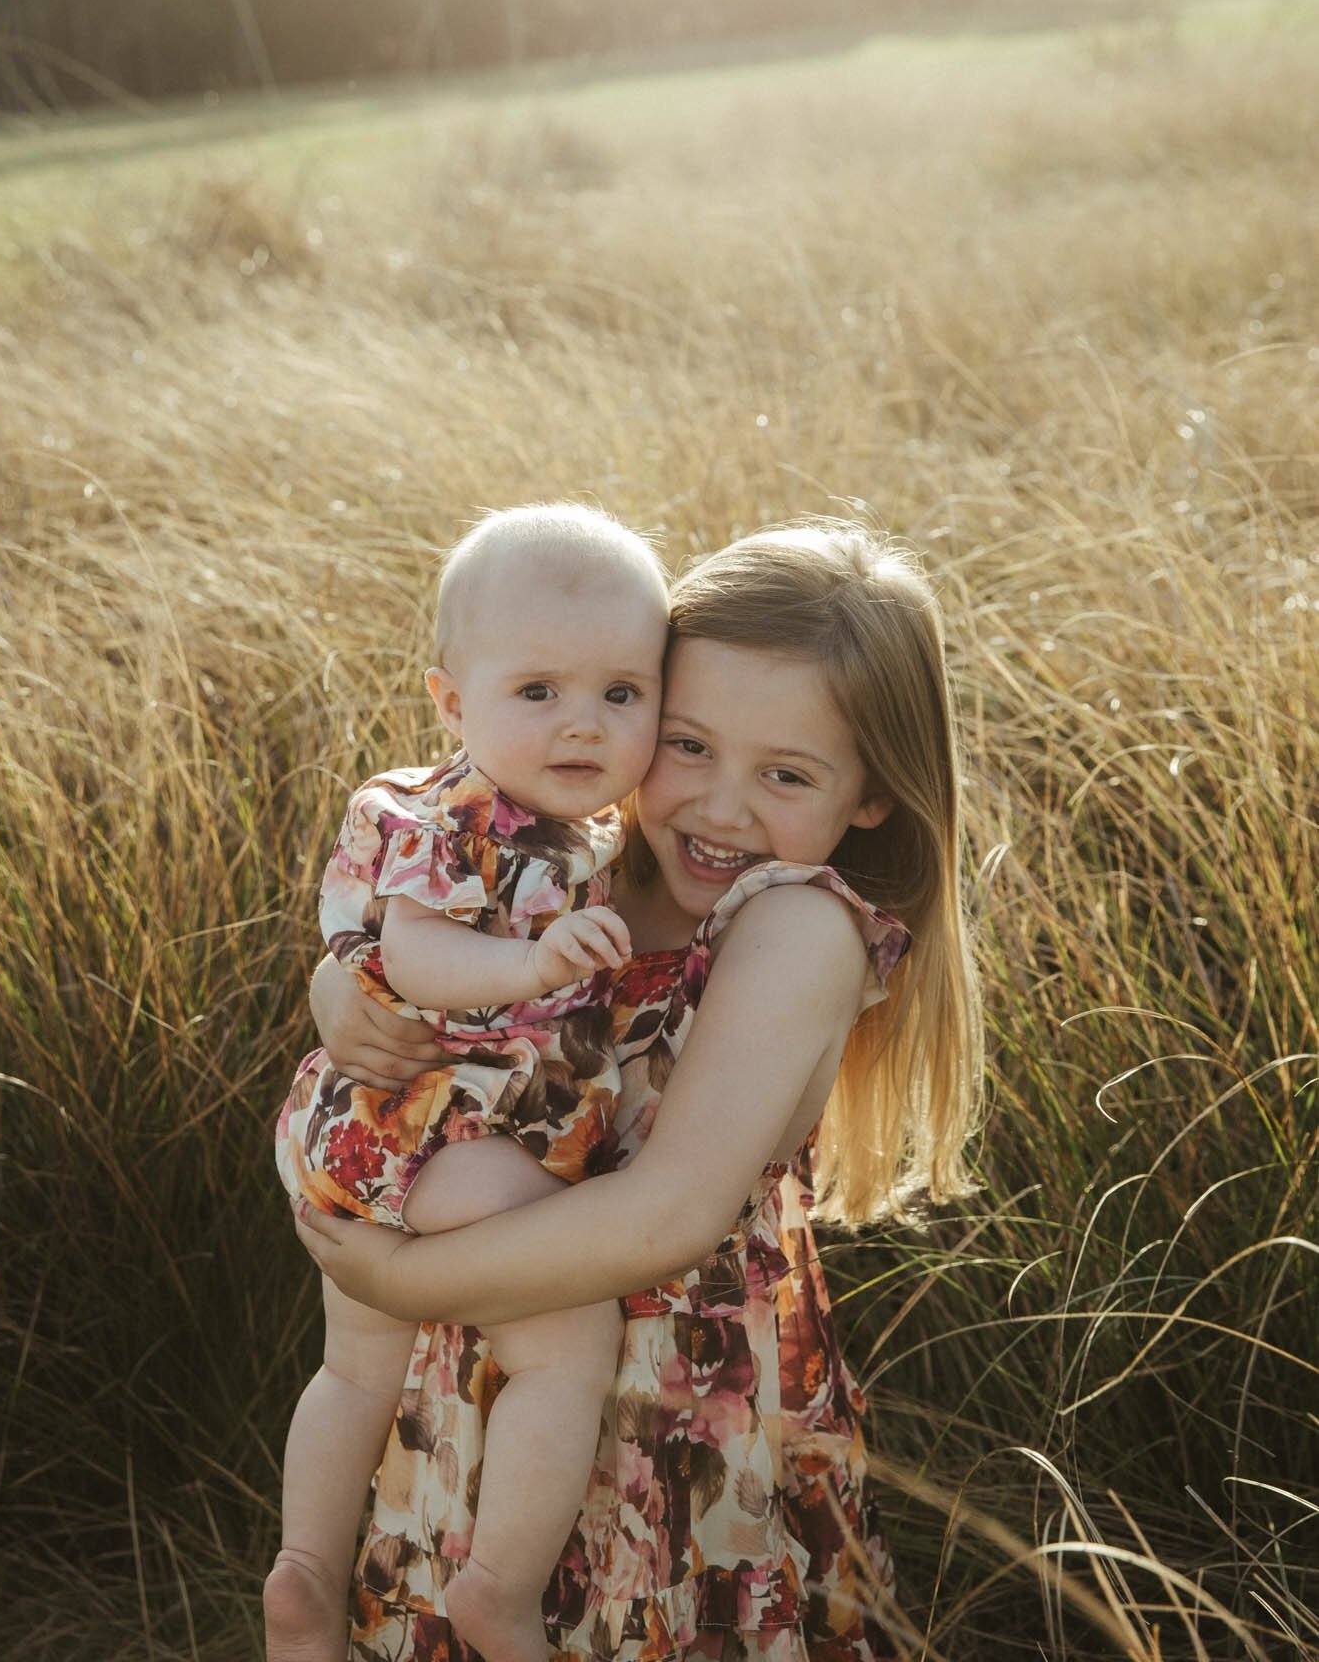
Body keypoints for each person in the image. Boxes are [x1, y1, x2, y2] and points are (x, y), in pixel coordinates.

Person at [292, 517, 983, 1662]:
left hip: (671, 1408)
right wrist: (341, 993)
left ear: (870, 795)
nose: (720, 806)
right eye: (689, 742)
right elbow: (404, 957)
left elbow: (670, 1210)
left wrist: (403, 1275)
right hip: (499, 1368)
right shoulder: (579, 858)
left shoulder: (797, 929)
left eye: (788, 772)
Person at [268, 504, 671, 1662]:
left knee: (356, 1366)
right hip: (436, 1137)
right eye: (537, 690)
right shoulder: (458, 813)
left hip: (368, 1143)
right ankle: (500, 1585)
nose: (581, 723)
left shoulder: (562, 821)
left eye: (620, 693)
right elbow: (410, 952)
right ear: (454, 701)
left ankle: (303, 1572)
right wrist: (530, 965)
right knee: (572, 1331)